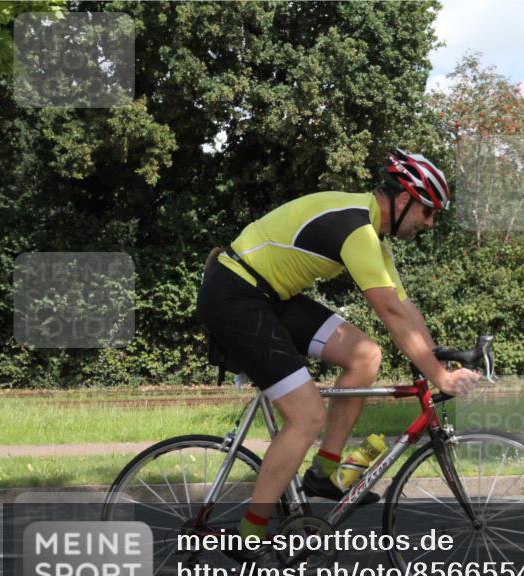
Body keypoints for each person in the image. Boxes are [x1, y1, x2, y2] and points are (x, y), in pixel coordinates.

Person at [197, 149, 480, 546]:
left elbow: (403, 306)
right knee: (306, 415)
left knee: (365, 355)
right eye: (428, 212)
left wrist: (438, 360)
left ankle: (323, 473)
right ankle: (250, 534)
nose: (429, 223)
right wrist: (439, 378)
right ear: (403, 201)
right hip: (235, 295)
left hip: (269, 296)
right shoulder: (357, 230)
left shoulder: (370, 233)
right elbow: (388, 312)